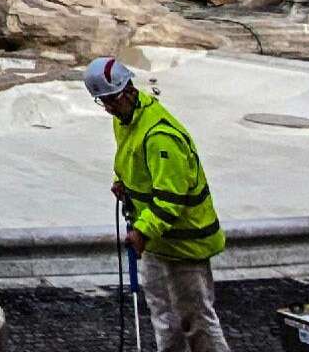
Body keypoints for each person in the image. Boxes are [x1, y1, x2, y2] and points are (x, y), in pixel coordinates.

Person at [85, 58, 229, 352]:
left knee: (197, 320)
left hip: (184, 245)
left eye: (111, 100)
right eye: (103, 102)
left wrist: (142, 231)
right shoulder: (124, 121)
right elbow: (131, 161)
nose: (108, 108)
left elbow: (171, 198)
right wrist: (122, 182)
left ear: (127, 90)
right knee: (164, 318)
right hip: (156, 241)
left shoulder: (161, 135)